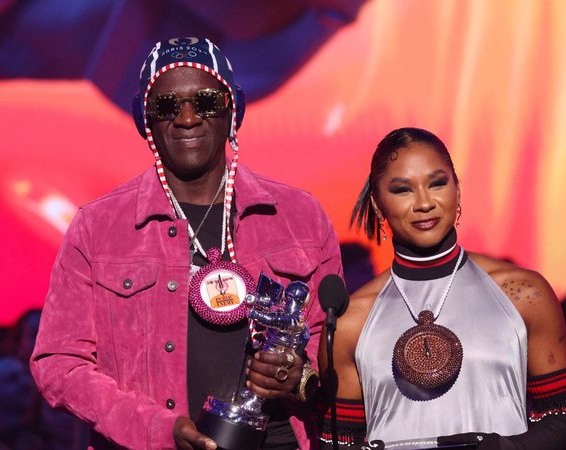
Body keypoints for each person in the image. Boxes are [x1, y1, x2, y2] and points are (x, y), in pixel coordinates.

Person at [30, 37, 342, 449]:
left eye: (207, 101)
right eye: (167, 106)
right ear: (145, 121)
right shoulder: (98, 227)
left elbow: (333, 344)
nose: (188, 118)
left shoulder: (298, 216)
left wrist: (298, 375)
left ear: (233, 111)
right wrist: (157, 429)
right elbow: (59, 363)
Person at [319, 128, 566, 449]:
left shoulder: (523, 293)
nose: (424, 202)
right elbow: (338, 444)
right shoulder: (351, 322)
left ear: (457, 190)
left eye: (437, 183)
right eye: (403, 190)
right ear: (378, 205)